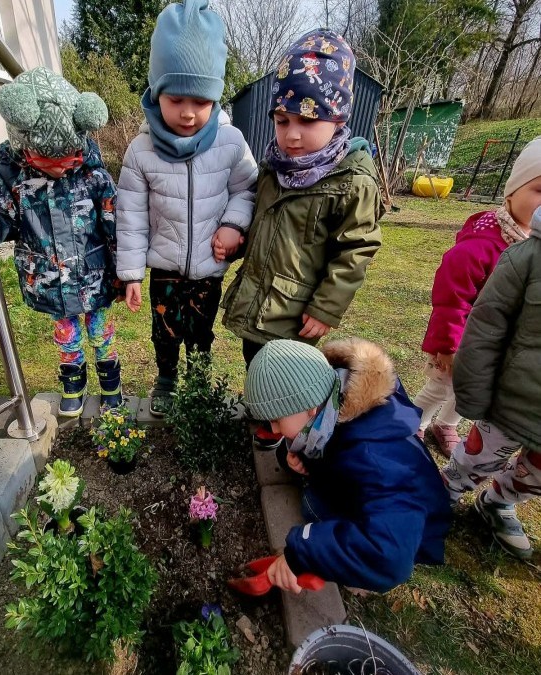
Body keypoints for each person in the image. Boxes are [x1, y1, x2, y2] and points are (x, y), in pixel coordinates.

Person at [221, 30, 383, 449]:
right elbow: (263, 220)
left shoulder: (351, 181)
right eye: (282, 121)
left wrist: (327, 306)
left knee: (291, 373)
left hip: (299, 308)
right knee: (256, 361)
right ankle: (267, 417)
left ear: (338, 120)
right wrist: (240, 239)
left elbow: (356, 248)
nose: (292, 134)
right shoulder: (274, 167)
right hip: (260, 293)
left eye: (308, 121)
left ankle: (295, 430)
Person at [0, 67, 121, 418]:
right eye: (49, 161)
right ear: (24, 148)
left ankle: (111, 388)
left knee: (101, 333)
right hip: (49, 279)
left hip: (94, 275)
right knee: (66, 335)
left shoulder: (93, 175)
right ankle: (73, 385)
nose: (60, 168)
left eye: (70, 159)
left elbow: (113, 223)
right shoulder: (11, 178)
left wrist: (125, 272)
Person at [116, 0, 257, 417]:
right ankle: (166, 378)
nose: (189, 113)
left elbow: (248, 190)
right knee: (164, 331)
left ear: (215, 97)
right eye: (176, 99)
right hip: (164, 268)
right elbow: (130, 215)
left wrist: (234, 225)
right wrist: (130, 274)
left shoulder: (231, 143)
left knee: (200, 331)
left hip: (209, 268)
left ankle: (197, 380)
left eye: (201, 100)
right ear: (156, 92)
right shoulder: (141, 151)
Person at [244, 338, 452, 593]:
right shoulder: (332, 402)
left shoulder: (372, 455)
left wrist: (304, 553)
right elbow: (330, 451)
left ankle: (355, 578)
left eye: (276, 420)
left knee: (313, 507)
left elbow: (389, 554)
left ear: (310, 407)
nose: (273, 429)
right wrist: (296, 459)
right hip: (372, 497)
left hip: (408, 532)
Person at [414, 137, 539, 457]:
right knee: (441, 386)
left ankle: (446, 424)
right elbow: (451, 298)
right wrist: (449, 345)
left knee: (473, 390)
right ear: (512, 191)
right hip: (462, 340)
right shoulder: (481, 244)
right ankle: (414, 422)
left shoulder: (533, 246)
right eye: (539, 190)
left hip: (498, 343)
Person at [442, 202, 541, 561]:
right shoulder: (528, 256)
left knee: (536, 473)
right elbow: (485, 326)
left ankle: (499, 501)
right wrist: (474, 391)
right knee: (477, 455)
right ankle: (443, 492)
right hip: (515, 399)